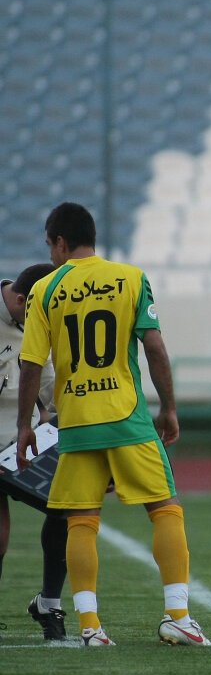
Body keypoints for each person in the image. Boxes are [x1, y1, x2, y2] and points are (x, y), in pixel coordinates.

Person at [15, 202, 210, 647]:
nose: (51, 254)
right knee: (165, 508)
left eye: (50, 245)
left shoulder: (45, 289)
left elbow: (31, 364)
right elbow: (155, 348)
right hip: (126, 417)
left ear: (60, 242)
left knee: (81, 521)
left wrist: (26, 425)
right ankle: (178, 616)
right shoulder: (131, 278)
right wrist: (170, 408)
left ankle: (90, 626)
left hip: (77, 424)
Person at [1, 263, 69, 640]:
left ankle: (49, 602)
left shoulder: (34, 322)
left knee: (68, 506)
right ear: (24, 301)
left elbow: (50, 388)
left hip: (23, 444)